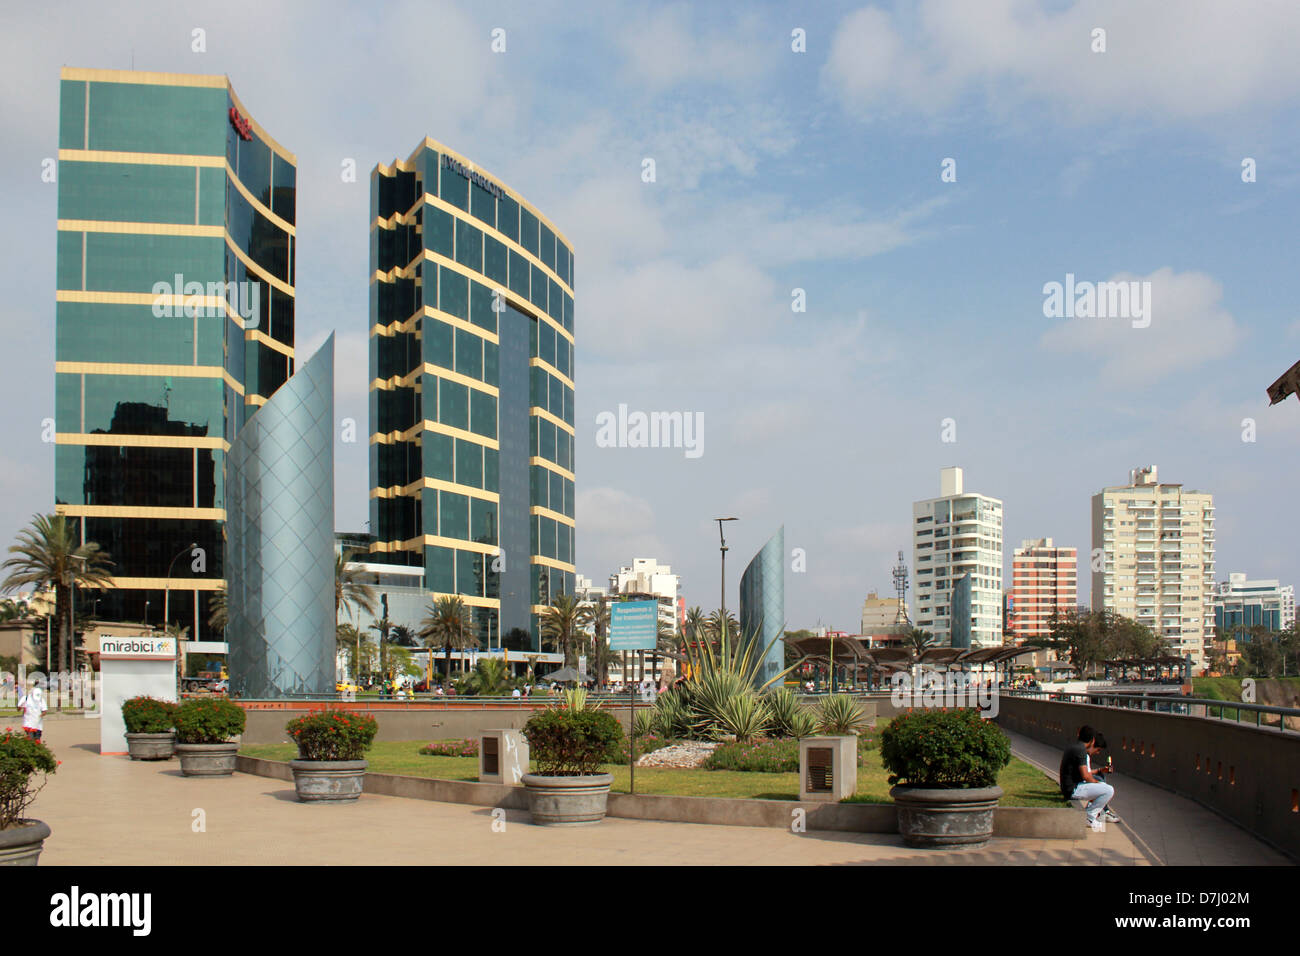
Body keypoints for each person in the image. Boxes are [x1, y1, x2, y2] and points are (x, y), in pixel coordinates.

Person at [1059, 724, 1114, 830]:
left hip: (1069, 787)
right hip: (1073, 789)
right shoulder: (1081, 751)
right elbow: (1086, 775)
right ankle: (1089, 817)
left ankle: (1092, 815)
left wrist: (1098, 776)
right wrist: (1098, 784)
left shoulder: (1075, 747)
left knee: (1102, 785)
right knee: (1109, 790)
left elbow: (1084, 773)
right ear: (1093, 740)